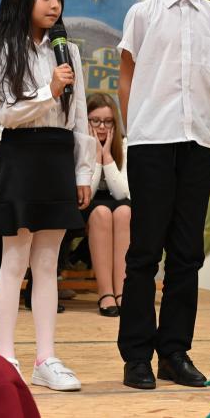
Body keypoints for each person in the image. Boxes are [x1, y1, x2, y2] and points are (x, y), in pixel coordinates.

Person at [116, 0, 210, 390]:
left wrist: (203, 127)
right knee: (145, 251)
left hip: (197, 144)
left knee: (187, 253)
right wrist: (134, 131)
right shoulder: (142, 14)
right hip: (151, 141)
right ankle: (136, 356)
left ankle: (174, 352)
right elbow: (127, 77)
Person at [0, 0, 94, 392]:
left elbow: (79, 116)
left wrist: (83, 171)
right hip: (22, 154)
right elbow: (5, 113)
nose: (54, 4)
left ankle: (46, 358)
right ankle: (5, 357)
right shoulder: (4, 48)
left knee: (48, 264)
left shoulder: (68, 52)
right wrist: (50, 90)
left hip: (58, 155)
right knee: (15, 260)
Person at [84, 93, 130, 317]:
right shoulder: (79, 145)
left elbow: (122, 192)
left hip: (118, 203)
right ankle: (105, 293)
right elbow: (88, 192)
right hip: (88, 204)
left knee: (124, 212)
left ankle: (122, 291)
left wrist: (107, 156)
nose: (102, 127)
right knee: (101, 212)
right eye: (95, 121)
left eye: (108, 121)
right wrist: (96, 155)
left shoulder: (124, 144)